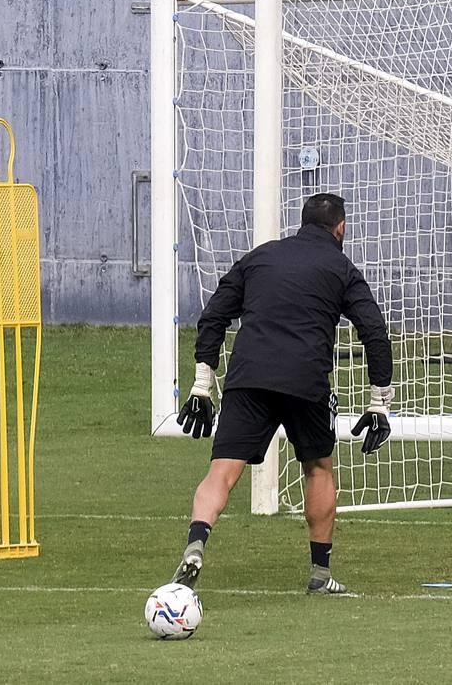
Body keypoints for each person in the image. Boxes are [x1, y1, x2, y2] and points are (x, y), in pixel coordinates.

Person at [169, 192, 394, 595]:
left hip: (248, 376)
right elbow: (374, 331)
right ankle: (321, 576)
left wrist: (203, 383)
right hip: (306, 381)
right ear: (340, 227)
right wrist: (379, 403)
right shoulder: (341, 268)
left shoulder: (260, 257)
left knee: (222, 470)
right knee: (318, 468)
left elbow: (214, 315)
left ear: (301, 222)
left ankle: (196, 542)